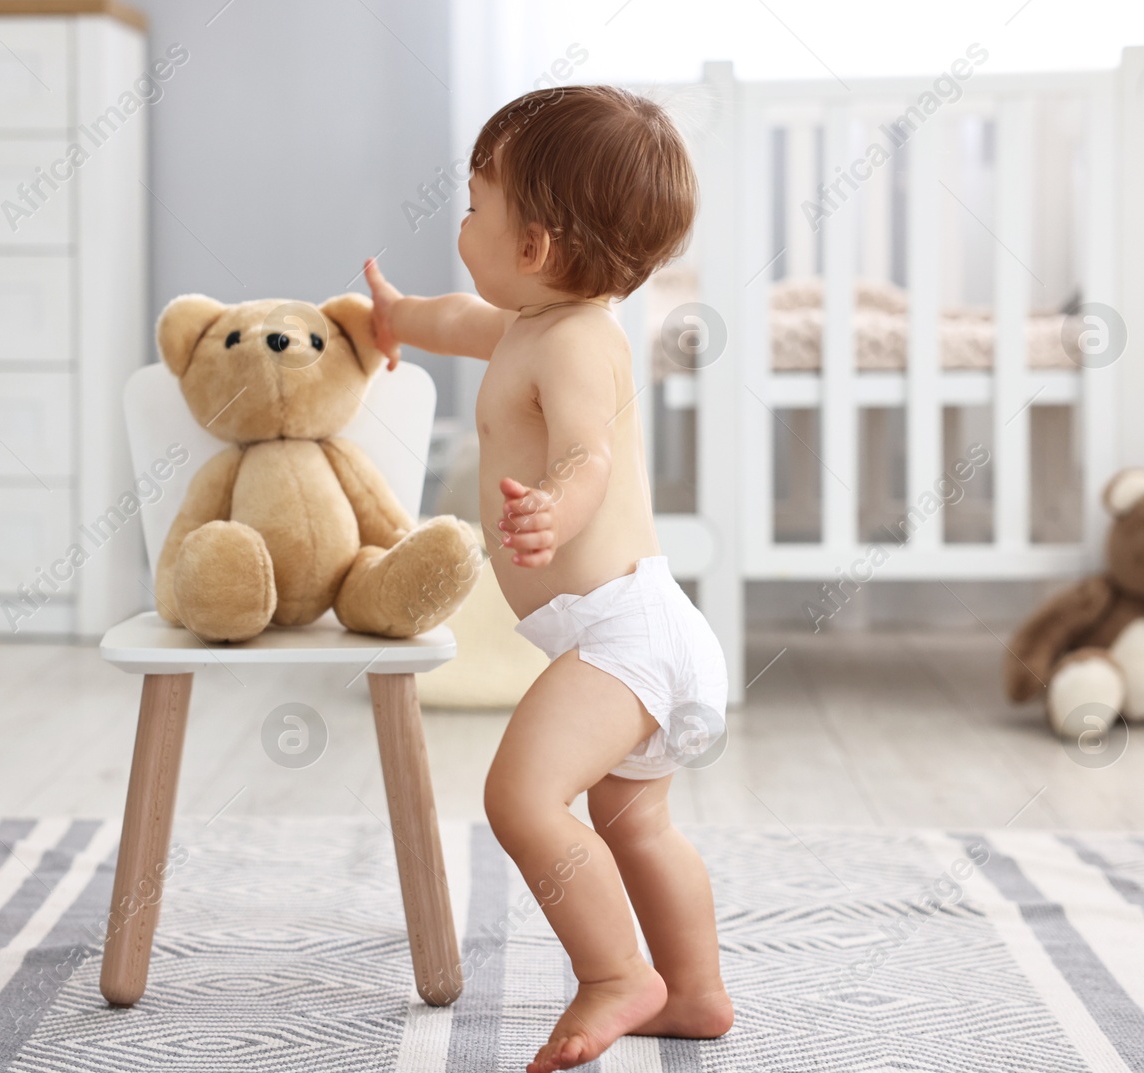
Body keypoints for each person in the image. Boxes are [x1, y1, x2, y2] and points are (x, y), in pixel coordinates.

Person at [364, 83, 732, 1073]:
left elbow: (589, 451)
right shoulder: (529, 321)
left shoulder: (575, 343)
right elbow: (456, 317)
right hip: (633, 632)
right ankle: (693, 990)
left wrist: (557, 503)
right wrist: (396, 316)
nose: (461, 220)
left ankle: (616, 972)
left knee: (520, 796)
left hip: (625, 636)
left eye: (476, 203)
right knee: (636, 820)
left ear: (530, 245)